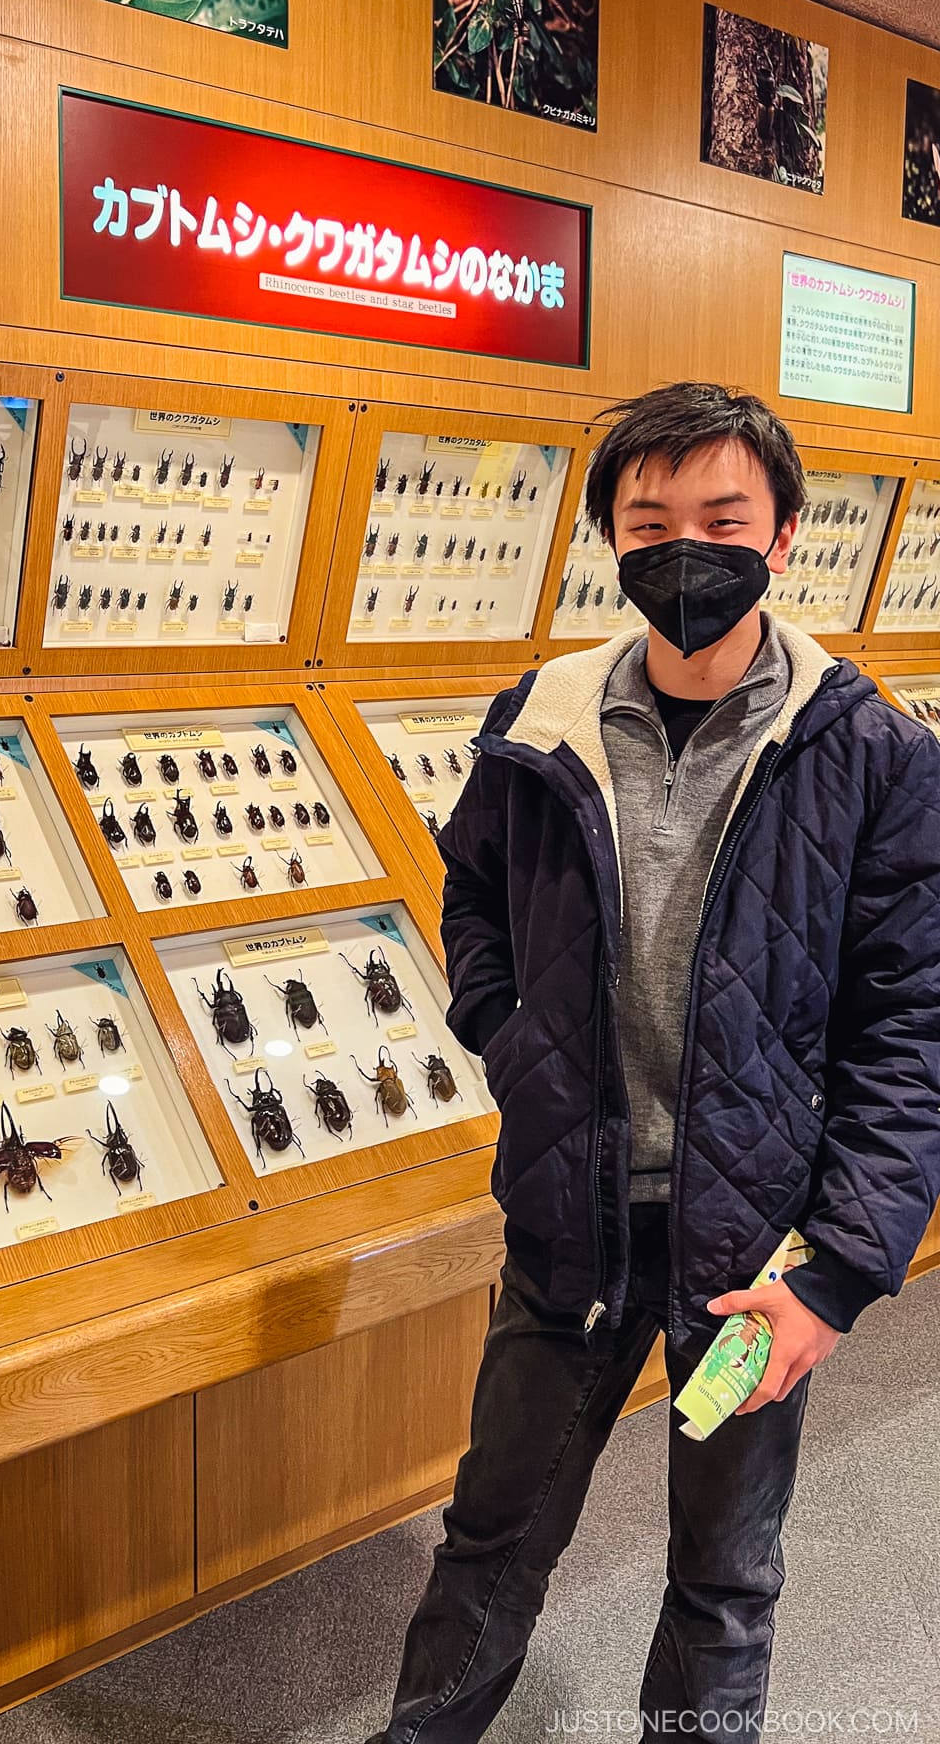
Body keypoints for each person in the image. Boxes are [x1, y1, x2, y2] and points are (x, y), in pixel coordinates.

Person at [364, 382, 940, 1743]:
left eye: (724, 517)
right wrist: (510, 1043)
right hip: (571, 1211)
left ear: (785, 535)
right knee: (492, 1538)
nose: (688, 548)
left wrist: (840, 1273)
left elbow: (912, 1029)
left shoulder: (872, 753)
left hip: (752, 1242)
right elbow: (474, 901)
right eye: (651, 520)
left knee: (723, 1581)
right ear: (612, 540)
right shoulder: (544, 714)